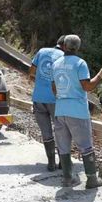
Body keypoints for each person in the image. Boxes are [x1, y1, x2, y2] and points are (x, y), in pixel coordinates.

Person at [52, 35, 102, 189]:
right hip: (77, 111)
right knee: (85, 146)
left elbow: (54, 89)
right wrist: (101, 75)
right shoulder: (80, 64)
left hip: (60, 110)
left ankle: (67, 178)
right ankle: (91, 179)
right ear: (77, 47)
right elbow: (87, 87)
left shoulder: (56, 64)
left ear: (63, 46)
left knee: (63, 146)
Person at [29, 35, 66, 171]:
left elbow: (31, 72)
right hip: (55, 100)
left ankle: (51, 163)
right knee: (61, 130)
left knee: (46, 132)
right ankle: (63, 163)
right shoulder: (64, 57)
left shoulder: (42, 51)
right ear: (65, 46)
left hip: (38, 98)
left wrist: (40, 83)